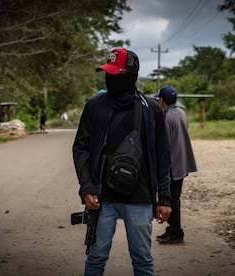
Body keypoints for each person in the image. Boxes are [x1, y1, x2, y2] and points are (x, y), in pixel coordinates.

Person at [72, 48, 172, 276]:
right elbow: (81, 149)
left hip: (140, 198)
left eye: (115, 75)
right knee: (95, 260)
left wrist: (164, 197)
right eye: (107, 73)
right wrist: (86, 186)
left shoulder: (151, 110)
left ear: (130, 75)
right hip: (101, 198)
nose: (110, 79)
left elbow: (163, 156)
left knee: (143, 262)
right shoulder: (94, 106)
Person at [155, 85, 197, 244]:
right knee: (175, 197)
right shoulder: (181, 112)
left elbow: (164, 144)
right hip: (183, 161)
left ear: (161, 101)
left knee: (172, 200)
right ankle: (172, 228)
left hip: (172, 164)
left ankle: (176, 232)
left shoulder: (166, 117)